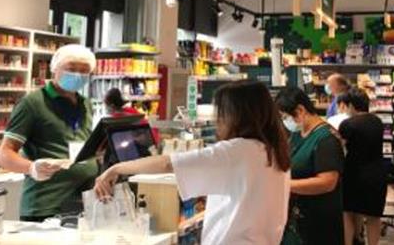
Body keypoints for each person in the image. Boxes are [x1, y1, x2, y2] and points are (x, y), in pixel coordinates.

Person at [95, 81, 290, 245]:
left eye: (222, 114)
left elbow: (167, 164)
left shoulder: (237, 151)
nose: (218, 121)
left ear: (238, 116)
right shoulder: (272, 149)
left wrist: (116, 168)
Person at [0, 44, 98, 221]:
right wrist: (31, 168)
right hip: (46, 206)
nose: (77, 75)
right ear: (54, 68)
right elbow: (3, 154)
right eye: (71, 69)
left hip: (83, 203)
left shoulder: (85, 104)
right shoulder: (32, 104)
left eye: (84, 71)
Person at [276, 87, 345, 245]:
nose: (286, 122)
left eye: (285, 117)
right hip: (298, 217)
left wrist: (285, 185)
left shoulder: (326, 139)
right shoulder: (298, 134)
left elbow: (328, 182)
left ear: (300, 110)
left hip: (318, 219)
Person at [337, 88, 388, 245]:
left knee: (348, 212)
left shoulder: (348, 124)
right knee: (373, 216)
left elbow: (340, 146)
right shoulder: (377, 122)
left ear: (351, 105)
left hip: (354, 173)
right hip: (377, 173)